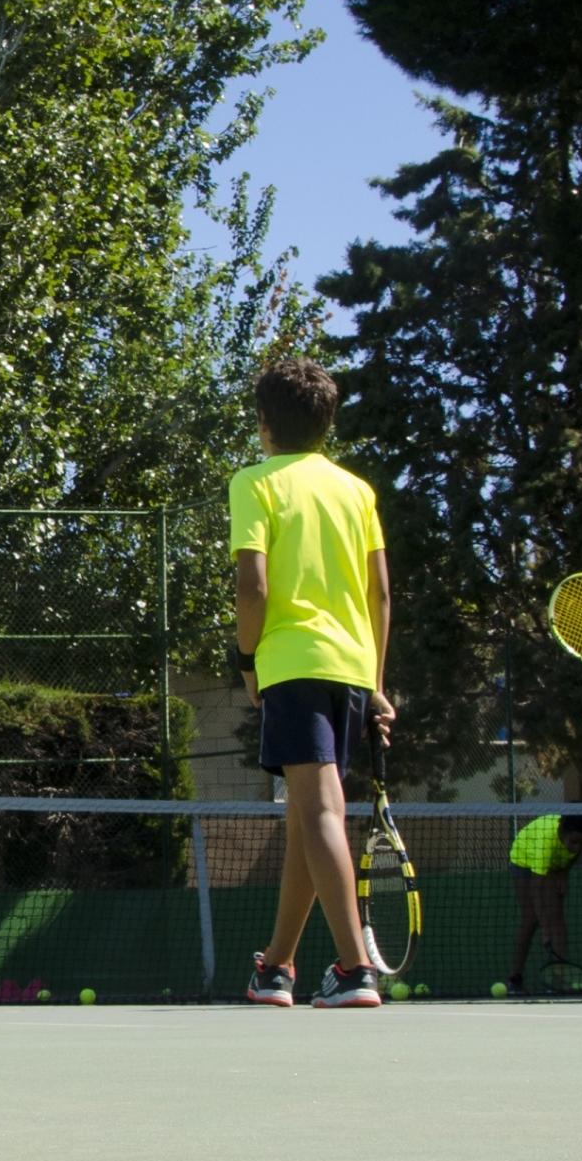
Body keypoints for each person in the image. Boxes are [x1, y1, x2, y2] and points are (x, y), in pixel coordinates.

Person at [232, 358, 394, 1009]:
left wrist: (248, 662)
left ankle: (355, 969)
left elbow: (253, 585)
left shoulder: (254, 482)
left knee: (321, 808)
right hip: (352, 669)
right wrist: (376, 683)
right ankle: (277, 965)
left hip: (293, 665)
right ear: (327, 423)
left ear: (265, 424)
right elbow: (381, 590)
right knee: (306, 815)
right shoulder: (357, 491)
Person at [506, 812, 582, 992]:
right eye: (573, 841)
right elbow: (536, 890)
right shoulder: (544, 844)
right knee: (531, 918)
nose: (577, 847)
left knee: (557, 919)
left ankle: (558, 981)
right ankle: (515, 979)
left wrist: (564, 873)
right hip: (524, 860)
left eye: (581, 843)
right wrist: (545, 929)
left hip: (556, 864)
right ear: (563, 831)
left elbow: (576, 854)